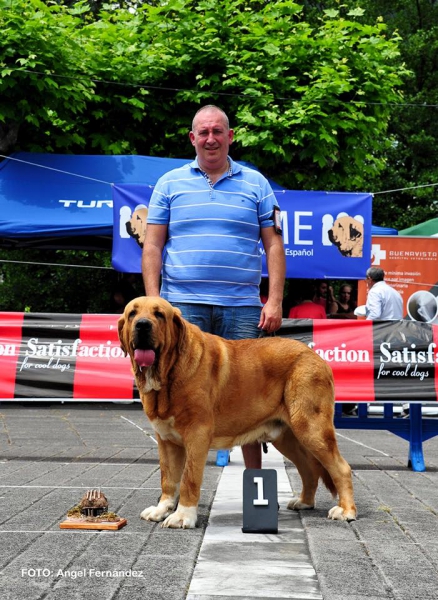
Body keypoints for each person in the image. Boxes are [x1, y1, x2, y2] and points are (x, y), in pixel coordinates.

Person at [142, 105, 286, 469]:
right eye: (203, 132)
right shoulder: (169, 183)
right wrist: (154, 302)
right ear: (192, 138)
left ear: (230, 136)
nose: (210, 138)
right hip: (181, 311)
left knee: (250, 398)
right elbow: (153, 246)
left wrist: (275, 300)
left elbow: (274, 244)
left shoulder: (257, 184)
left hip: (242, 307)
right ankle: (176, 496)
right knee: (177, 400)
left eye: (217, 131)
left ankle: (256, 489)